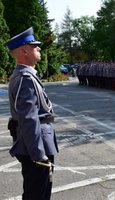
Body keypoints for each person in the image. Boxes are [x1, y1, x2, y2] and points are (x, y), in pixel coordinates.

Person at [5, 27, 58, 200]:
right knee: (37, 195)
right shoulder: (24, 78)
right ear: (24, 50)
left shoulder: (26, 75)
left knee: (39, 192)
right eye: (35, 46)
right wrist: (38, 155)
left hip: (38, 144)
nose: (39, 48)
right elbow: (29, 119)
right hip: (36, 148)